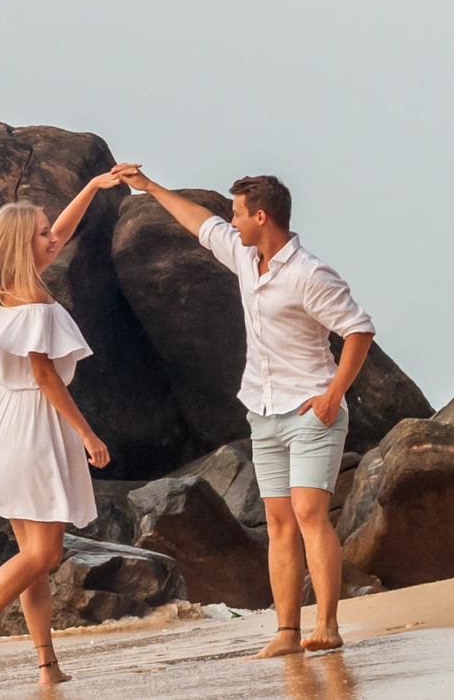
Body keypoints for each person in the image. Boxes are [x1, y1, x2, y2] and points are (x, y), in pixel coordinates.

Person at [118, 166, 375, 659]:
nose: (230, 221)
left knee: (308, 515)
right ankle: (286, 632)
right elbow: (199, 223)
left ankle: (327, 624)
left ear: (262, 216)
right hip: (262, 408)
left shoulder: (309, 274)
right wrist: (149, 187)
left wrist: (332, 395)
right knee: (279, 522)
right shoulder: (243, 253)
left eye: (237, 213)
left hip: (310, 411)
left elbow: (358, 331)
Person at [0, 170, 126, 689]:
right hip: (37, 421)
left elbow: (64, 227)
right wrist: (87, 434)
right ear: (21, 244)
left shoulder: (12, 290)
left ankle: (47, 666)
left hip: (8, 420)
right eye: (41, 233)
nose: (52, 237)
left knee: (32, 557)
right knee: (46, 554)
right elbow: (45, 377)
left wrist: (95, 186)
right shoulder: (31, 301)